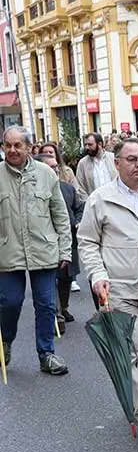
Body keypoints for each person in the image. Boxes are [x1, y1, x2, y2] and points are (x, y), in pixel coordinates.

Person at [79, 138, 138, 437]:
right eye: (131, 159)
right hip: (119, 288)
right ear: (116, 163)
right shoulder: (101, 198)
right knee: (135, 349)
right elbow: (87, 241)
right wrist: (97, 275)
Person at [0, 126, 71, 376]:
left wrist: (65, 250)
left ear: (29, 147)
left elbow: (60, 214)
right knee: (10, 302)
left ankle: (47, 354)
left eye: (18, 145)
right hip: (6, 252)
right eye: (7, 145)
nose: (12, 150)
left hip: (44, 249)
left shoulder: (46, 174)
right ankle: (5, 341)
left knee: (46, 304)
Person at [39, 153, 84, 332]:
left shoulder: (67, 188)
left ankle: (63, 308)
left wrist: (78, 221)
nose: (55, 170)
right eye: (50, 167)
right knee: (52, 278)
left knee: (66, 277)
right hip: (46, 240)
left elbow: (79, 207)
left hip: (69, 238)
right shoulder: (37, 191)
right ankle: (56, 315)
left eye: (56, 167)